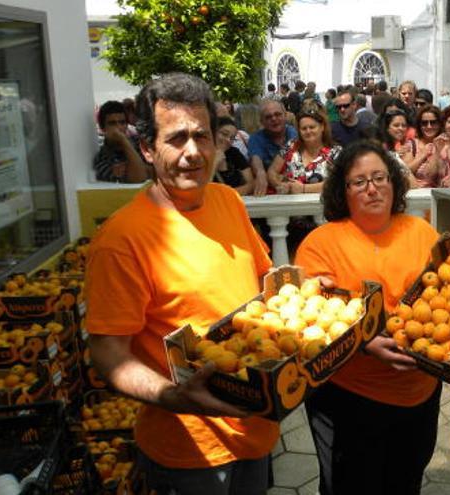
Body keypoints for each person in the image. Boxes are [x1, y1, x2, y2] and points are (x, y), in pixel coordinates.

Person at [85, 73, 278, 495]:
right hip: (191, 451)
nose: (193, 152)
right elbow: (107, 351)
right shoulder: (122, 239)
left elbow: (264, 285)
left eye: (202, 136)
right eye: (176, 139)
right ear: (147, 148)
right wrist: (175, 396)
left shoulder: (227, 199)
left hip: (257, 430)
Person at [294, 141, 441, 495]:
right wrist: (363, 341)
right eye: (359, 182)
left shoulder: (422, 232)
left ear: (395, 182)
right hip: (348, 396)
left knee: (405, 482)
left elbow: (448, 297)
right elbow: (309, 322)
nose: (372, 188)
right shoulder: (319, 244)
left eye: (379, 177)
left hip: (420, 392)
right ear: (342, 193)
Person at [268, 109, 340, 195]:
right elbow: (271, 172)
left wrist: (304, 188)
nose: (308, 131)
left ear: (322, 127)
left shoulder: (335, 152)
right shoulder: (291, 146)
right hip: (291, 204)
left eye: (312, 127)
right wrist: (279, 185)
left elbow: (338, 183)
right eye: (304, 128)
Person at [248, 99, 299, 196]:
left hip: (296, 191)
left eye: (278, 114)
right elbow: (256, 158)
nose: (274, 119)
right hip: (268, 194)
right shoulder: (256, 138)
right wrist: (260, 172)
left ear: (285, 116)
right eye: (268, 117)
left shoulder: (295, 134)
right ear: (261, 121)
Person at [93, 100, 149, 182]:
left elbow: (160, 171)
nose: (118, 127)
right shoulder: (102, 158)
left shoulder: (141, 143)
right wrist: (124, 141)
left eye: (122, 123)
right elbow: (138, 178)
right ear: (103, 128)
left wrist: (137, 168)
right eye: (112, 123)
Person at [213, 116, 254, 195]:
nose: (228, 140)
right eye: (224, 134)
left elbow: (251, 184)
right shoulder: (201, 154)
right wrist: (214, 164)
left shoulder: (234, 153)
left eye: (232, 138)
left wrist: (227, 194)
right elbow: (200, 189)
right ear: (213, 132)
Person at [409, 104, 443, 187]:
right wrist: (423, 155)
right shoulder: (412, 145)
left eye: (433, 122)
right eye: (424, 123)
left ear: (440, 124)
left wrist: (437, 152)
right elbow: (406, 171)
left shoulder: (446, 144)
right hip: (418, 194)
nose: (429, 126)